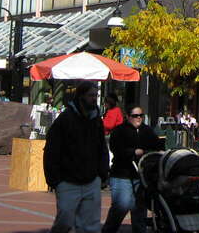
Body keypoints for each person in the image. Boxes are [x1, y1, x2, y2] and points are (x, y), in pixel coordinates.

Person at [44, 80, 109, 233]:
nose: (94, 98)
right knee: (64, 222)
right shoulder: (65, 119)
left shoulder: (96, 121)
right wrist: (54, 180)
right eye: (90, 95)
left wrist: (101, 174)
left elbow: (102, 148)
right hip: (67, 181)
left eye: (96, 95)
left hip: (91, 180)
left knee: (90, 226)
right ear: (80, 96)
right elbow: (52, 150)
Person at [102, 106, 164, 233]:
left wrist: (160, 150)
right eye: (135, 116)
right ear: (128, 117)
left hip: (140, 175)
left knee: (139, 208)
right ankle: (109, 230)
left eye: (141, 115)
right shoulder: (119, 131)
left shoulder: (147, 130)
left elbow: (157, 145)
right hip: (122, 174)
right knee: (122, 205)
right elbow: (116, 149)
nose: (139, 118)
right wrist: (133, 152)